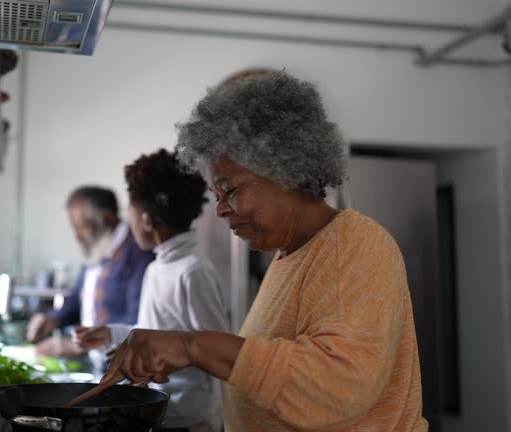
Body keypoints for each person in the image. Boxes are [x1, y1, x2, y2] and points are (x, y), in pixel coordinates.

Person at [97, 70, 428, 431]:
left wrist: (193, 347)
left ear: (287, 170)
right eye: (217, 195)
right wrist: (181, 354)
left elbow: (337, 388)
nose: (221, 209)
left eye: (231, 190)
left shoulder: (356, 245)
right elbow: (266, 370)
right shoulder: (287, 257)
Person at [75, 149, 229, 432]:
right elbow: (152, 331)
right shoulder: (156, 267)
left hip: (189, 421)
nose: (128, 221)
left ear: (146, 220)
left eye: (129, 212)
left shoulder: (193, 271)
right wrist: (114, 334)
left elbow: (218, 353)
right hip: (157, 411)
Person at [26, 186, 155, 357]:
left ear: (107, 218)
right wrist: (52, 319)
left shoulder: (138, 253)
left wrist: (79, 347)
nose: (76, 237)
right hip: (96, 361)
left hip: (121, 366)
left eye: (82, 227)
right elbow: (76, 301)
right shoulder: (98, 248)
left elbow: (139, 324)